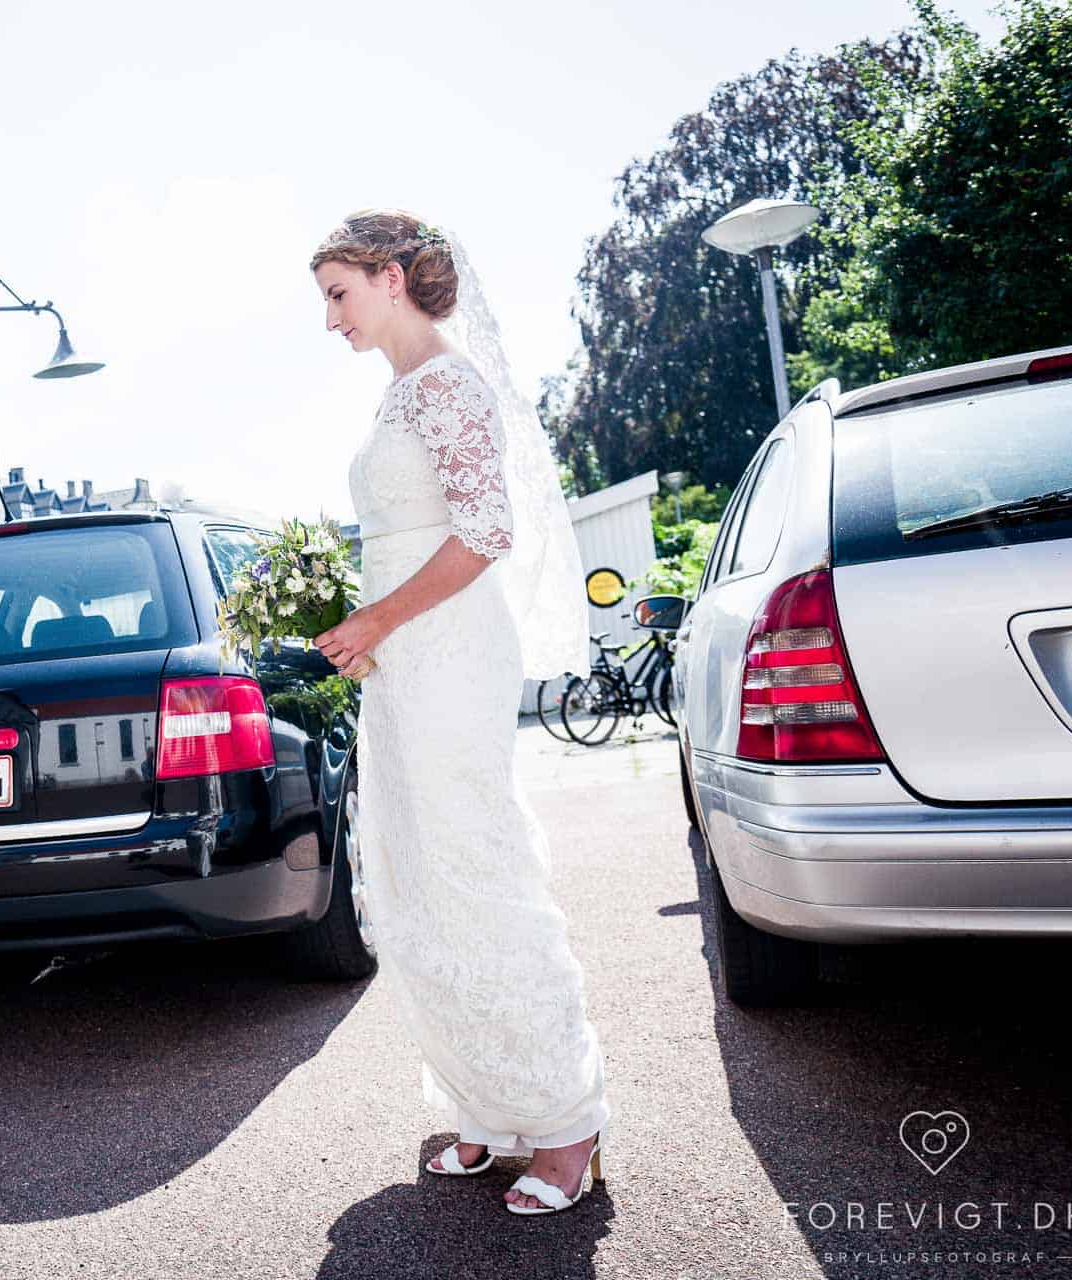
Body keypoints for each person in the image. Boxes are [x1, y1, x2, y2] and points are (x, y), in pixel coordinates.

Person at [309, 210, 611, 1216]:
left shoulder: (448, 383)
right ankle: (487, 1099)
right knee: (421, 867)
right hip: (403, 659)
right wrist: (361, 628)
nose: (330, 319)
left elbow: (486, 531)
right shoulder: (400, 394)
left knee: (475, 861)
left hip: (447, 648)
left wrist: (377, 616)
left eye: (338, 294)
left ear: (390, 278)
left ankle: (565, 1122)